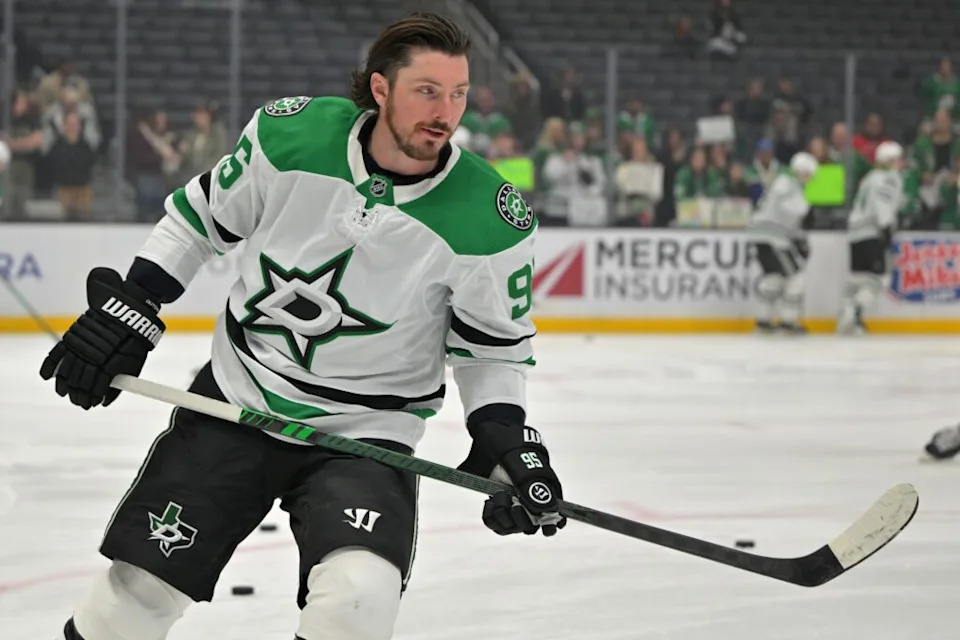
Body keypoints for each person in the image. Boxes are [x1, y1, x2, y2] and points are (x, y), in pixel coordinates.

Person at [38, 13, 565, 640]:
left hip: (364, 436)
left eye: (458, 93)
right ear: (380, 89)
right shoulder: (290, 137)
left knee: (358, 604)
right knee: (127, 603)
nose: (445, 112)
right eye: (427, 90)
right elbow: (197, 221)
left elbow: (493, 350)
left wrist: (504, 435)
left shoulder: (490, 219)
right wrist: (135, 301)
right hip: (238, 404)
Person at [837, 142, 904, 335]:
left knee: (858, 278)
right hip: (871, 232)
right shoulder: (889, 178)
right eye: (897, 159)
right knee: (879, 279)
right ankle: (854, 310)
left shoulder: (871, 177)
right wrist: (886, 228)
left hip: (856, 232)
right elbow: (882, 202)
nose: (900, 163)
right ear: (890, 161)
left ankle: (846, 316)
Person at [749, 151, 819, 333]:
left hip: (763, 236)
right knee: (795, 278)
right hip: (774, 239)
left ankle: (763, 320)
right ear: (802, 172)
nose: (810, 178)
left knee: (773, 278)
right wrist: (800, 238)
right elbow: (796, 213)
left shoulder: (782, 182)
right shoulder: (789, 185)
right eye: (809, 174)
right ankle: (788, 321)